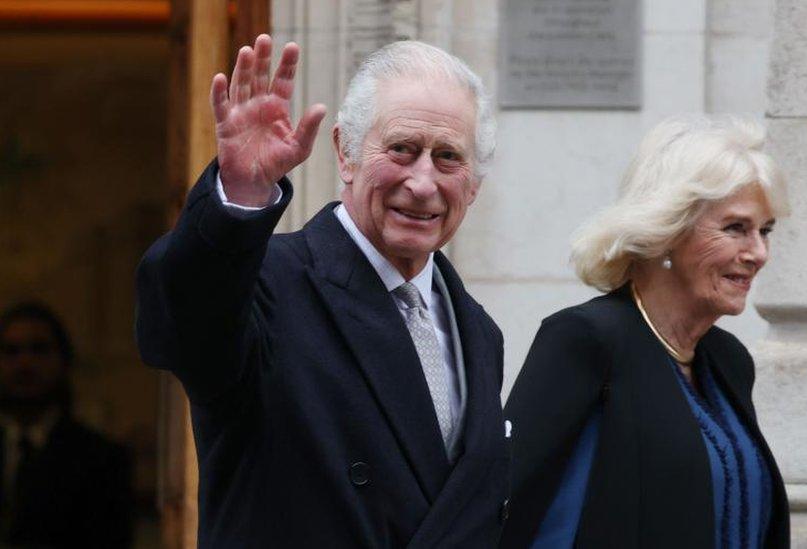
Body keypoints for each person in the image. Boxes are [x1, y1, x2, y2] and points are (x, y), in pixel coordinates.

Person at [135, 35, 508, 547]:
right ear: (345, 153)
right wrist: (240, 196)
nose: (422, 183)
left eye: (447, 157)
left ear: (474, 186)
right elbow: (177, 327)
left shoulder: (480, 333)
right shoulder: (265, 284)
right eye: (401, 149)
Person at [500, 116, 791, 549]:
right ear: (668, 230)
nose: (758, 253)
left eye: (764, 231)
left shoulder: (728, 360)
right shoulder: (586, 339)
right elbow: (511, 506)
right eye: (736, 228)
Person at [0, 302, 133, 549]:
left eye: (39, 350)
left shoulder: (101, 460)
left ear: (63, 361)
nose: (24, 364)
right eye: (11, 351)